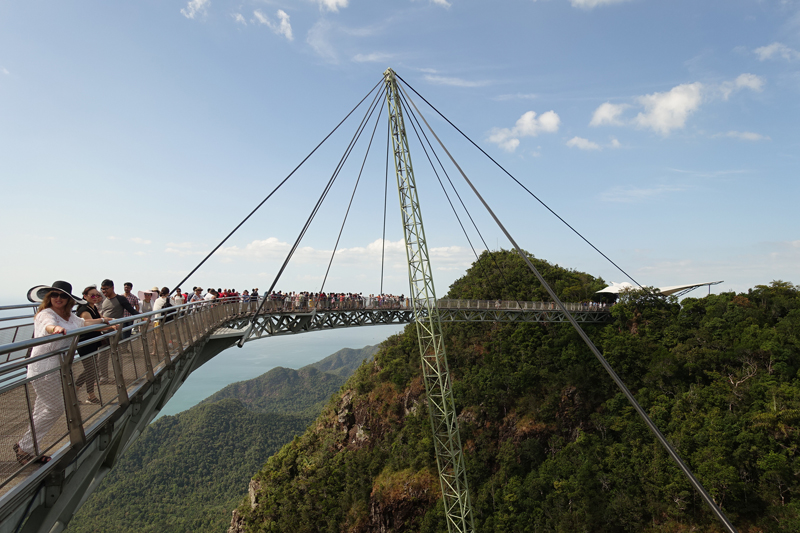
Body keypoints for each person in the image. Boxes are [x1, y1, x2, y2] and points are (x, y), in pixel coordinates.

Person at [15, 281, 109, 465]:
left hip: (59, 367)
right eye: (54, 295)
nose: (58, 298)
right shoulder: (45, 314)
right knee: (55, 407)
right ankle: (24, 448)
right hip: (43, 368)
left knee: (42, 408)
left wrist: (104, 321)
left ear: (69, 300)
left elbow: (83, 322)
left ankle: (28, 447)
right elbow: (49, 325)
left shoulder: (69, 317)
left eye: (63, 296)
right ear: (48, 297)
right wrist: (56, 329)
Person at [75, 285, 113, 404]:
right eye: (92, 295)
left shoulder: (93, 308)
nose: (96, 297)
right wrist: (111, 325)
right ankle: (86, 394)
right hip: (85, 343)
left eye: (98, 295)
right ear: (85, 296)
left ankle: (79, 392)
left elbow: (101, 318)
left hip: (92, 342)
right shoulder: (84, 310)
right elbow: (92, 326)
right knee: (90, 370)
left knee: (91, 369)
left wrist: (112, 320)